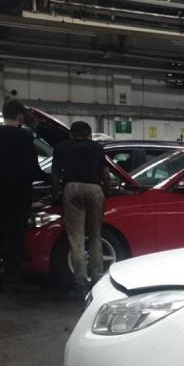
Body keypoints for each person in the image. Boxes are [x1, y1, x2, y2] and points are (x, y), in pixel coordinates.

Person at [0, 100, 44, 291]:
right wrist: (47, 178)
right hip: (19, 194)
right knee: (14, 237)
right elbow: (32, 169)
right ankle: (11, 280)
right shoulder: (24, 137)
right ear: (20, 117)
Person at [51, 120, 108, 292]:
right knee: (95, 235)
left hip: (72, 188)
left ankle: (81, 281)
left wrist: (56, 194)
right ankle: (97, 278)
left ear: (71, 134)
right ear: (90, 135)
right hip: (94, 189)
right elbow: (105, 174)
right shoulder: (97, 148)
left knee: (76, 238)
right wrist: (106, 191)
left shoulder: (61, 147)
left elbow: (55, 175)